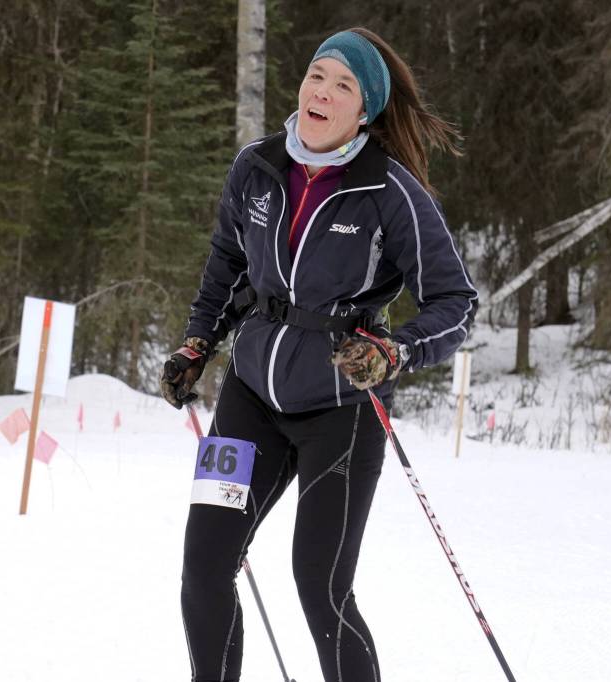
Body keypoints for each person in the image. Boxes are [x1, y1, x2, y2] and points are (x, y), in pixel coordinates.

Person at [160, 28, 477, 682]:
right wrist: (198, 343)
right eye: (317, 75)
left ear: (365, 111)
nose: (323, 92)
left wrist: (395, 351)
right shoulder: (257, 166)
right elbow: (225, 263)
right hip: (250, 398)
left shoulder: (390, 192)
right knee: (203, 570)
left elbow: (455, 301)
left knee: (321, 588)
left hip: (342, 408)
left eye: (344, 85)